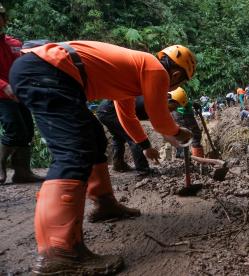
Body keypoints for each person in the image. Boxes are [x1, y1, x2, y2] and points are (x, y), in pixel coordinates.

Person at [10, 42, 195, 274]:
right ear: (176, 73)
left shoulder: (135, 72)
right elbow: (159, 119)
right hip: (48, 72)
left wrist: (145, 145)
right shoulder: (155, 70)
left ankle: (105, 203)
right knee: (73, 152)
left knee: (95, 138)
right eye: (179, 82)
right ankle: (59, 253)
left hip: (45, 71)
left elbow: (126, 116)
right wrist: (178, 132)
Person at [0, 4, 44, 184]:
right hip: (1, 95)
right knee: (14, 129)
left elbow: (23, 68)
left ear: (4, 19)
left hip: (19, 94)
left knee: (26, 130)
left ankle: (22, 171)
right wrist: (4, 86)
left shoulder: (14, 44)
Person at [96, 97, 152, 175]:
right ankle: (143, 169)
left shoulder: (147, 101)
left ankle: (118, 164)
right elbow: (132, 122)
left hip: (103, 111)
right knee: (134, 138)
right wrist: (147, 146)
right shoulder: (149, 103)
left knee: (118, 138)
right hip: (111, 111)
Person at [171, 88, 205, 158]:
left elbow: (184, 101)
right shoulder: (175, 88)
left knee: (181, 135)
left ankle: (183, 154)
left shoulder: (174, 89)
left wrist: (193, 103)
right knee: (195, 135)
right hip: (183, 113)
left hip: (179, 112)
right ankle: (197, 158)